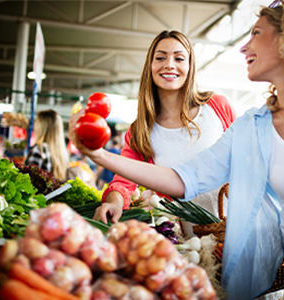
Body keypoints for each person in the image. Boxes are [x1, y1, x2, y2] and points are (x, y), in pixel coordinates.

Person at [69, 1, 284, 299]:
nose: (243, 46)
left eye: (255, 33)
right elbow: (186, 179)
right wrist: (100, 155)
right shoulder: (254, 126)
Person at [93, 30, 236, 234]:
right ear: (150, 67)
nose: (169, 64)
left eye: (179, 58)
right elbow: (122, 182)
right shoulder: (141, 130)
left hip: (237, 230)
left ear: (190, 66)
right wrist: (114, 203)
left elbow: (248, 156)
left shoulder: (217, 106)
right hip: (192, 245)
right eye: (160, 58)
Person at [25, 109, 69, 182]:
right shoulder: (62, 153)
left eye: (37, 122)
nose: (34, 125)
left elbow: (28, 182)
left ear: (42, 127)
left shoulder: (39, 150)